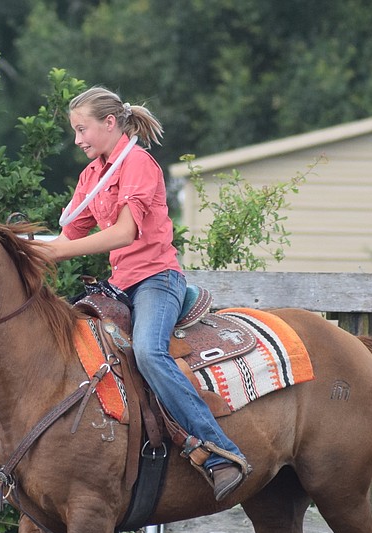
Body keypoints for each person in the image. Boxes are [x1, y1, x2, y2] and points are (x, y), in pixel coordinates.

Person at [42, 86, 250, 501]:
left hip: (157, 280)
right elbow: (68, 233)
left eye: (82, 129)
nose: (78, 139)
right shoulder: (91, 176)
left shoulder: (138, 164)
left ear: (109, 123)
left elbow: (124, 233)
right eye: (75, 131)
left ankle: (220, 451)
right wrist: (27, 250)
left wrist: (59, 250)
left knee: (149, 353)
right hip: (121, 286)